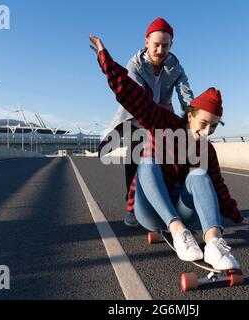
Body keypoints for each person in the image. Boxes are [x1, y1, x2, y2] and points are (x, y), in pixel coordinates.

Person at [89, 35, 249, 270]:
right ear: (190, 115)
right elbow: (130, 93)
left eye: (214, 127)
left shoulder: (206, 149)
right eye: (204, 123)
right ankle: (178, 233)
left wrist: (236, 216)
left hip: (183, 210)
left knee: (200, 175)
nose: (207, 131)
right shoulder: (163, 121)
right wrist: (104, 58)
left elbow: (218, 187)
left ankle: (214, 243)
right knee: (147, 161)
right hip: (149, 211)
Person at [99, 18, 194, 228]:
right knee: (135, 155)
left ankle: (167, 202)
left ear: (171, 45)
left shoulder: (175, 66)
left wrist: (192, 117)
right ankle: (131, 208)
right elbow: (137, 99)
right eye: (156, 45)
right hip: (136, 115)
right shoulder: (135, 64)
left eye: (165, 45)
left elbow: (185, 93)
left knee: (170, 159)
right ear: (146, 41)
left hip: (163, 117)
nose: (160, 50)